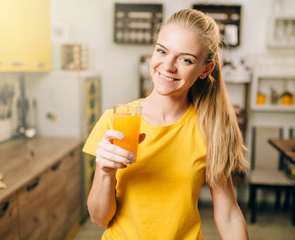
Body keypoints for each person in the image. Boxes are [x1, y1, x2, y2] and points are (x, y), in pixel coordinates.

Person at [83, 8, 250, 240]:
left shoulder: (210, 128)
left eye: (185, 59)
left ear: (205, 69)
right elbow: (99, 219)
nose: (168, 66)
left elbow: (229, 215)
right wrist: (106, 173)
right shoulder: (114, 122)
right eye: (162, 51)